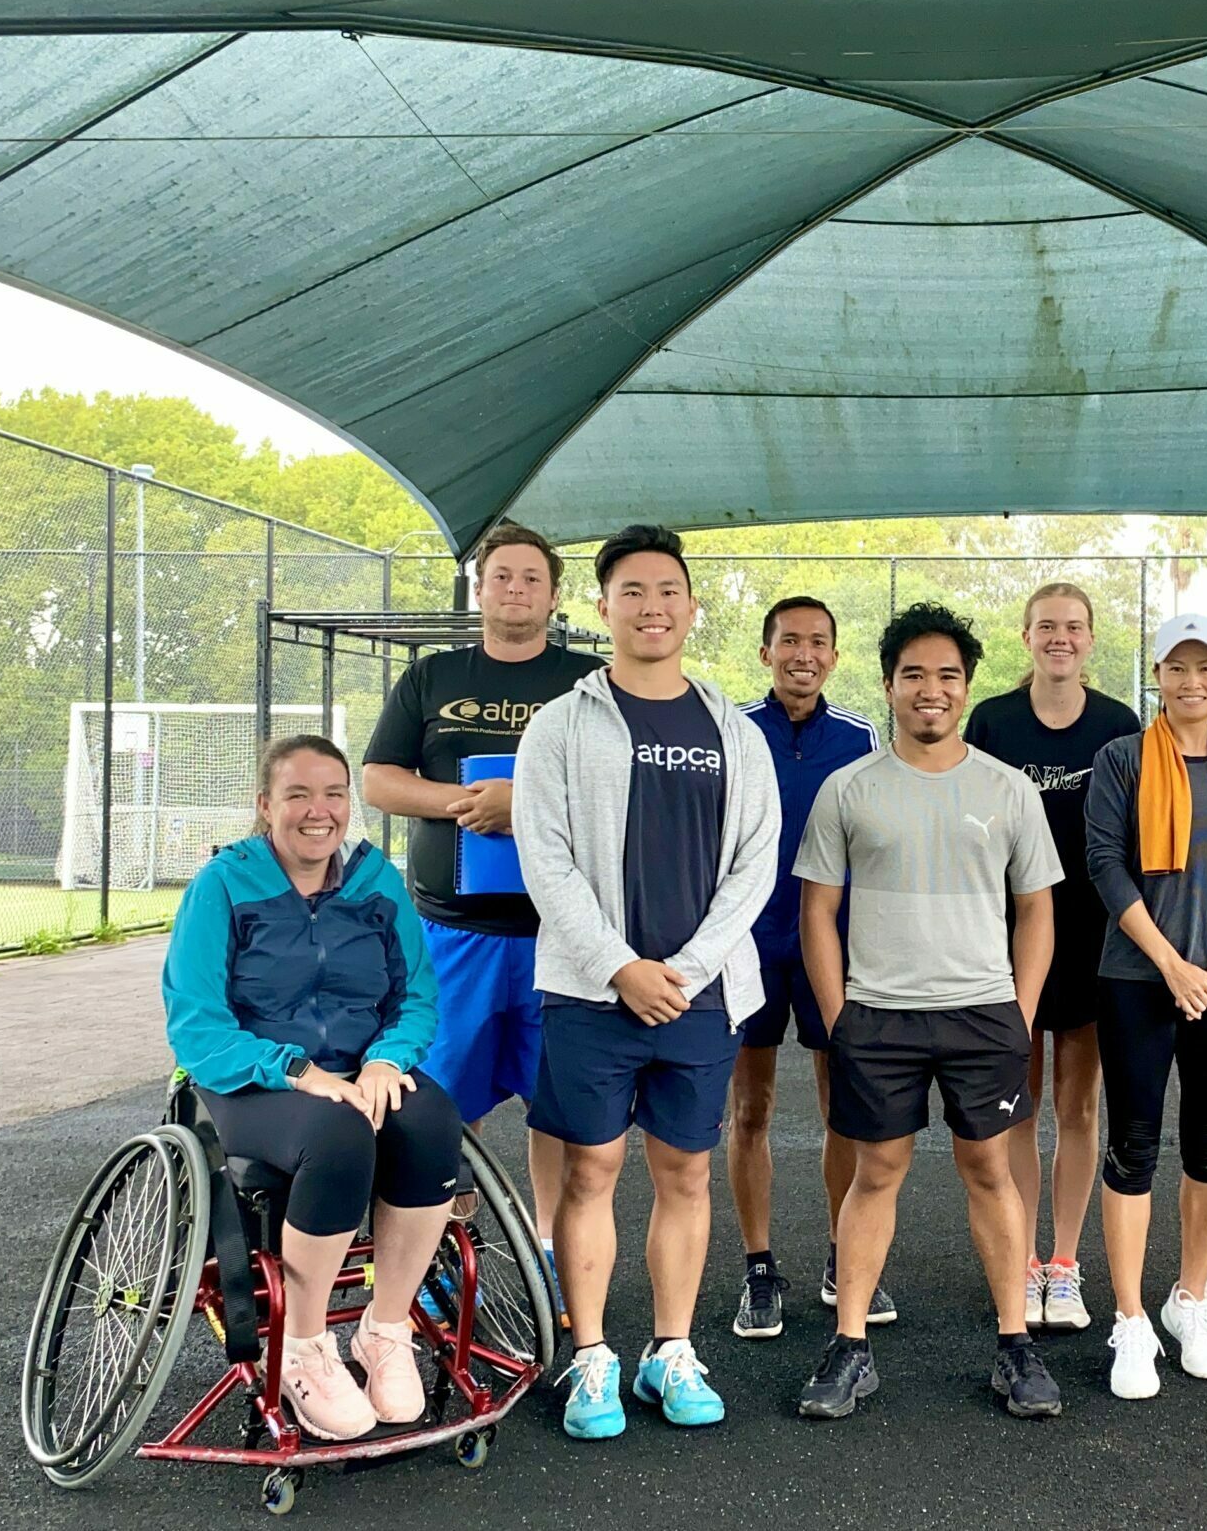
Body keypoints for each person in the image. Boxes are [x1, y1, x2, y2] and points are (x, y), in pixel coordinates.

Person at [510, 525, 781, 1439]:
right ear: (602, 608)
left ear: (692, 606)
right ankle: (591, 1357)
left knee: (686, 1173)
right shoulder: (561, 723)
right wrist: (619, 967)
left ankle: (671, 1349)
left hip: (699, 997)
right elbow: (543, 857)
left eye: (668, 589)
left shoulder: (733, 732)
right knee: (590, 1170)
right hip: (593, 993)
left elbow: (756, 863)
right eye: (632, 590)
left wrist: (687, 968)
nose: (652, 605)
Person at [792, 603, 1068, 1421]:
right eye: (913, 674)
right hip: (879, 1016)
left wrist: (1018, 1010)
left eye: (947, 675)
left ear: (967, 687)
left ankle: (1016, 1344)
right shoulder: (849, 788)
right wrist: (841, 1015)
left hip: (983, 1014)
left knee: (990, 1169)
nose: (931, 689)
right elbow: (817, 912)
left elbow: (1037, 912)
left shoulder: (1008, 789)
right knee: (877, 1172)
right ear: (887, 685)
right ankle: (849, 1345)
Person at [163, 735, 458, 1442]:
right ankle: (303, 1345)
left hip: (361, 1068)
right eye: (297, 794)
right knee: (339, 1134)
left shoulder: (375, 880)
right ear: (265, 805)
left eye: (333, 793)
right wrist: (299, 1071)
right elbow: (196, 1023)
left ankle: (384, 1331)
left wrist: (388, 1060)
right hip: (249, 1078)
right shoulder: (224, 885)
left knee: (432, 1120)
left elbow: (415, 994)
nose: (317, 811)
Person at [362, 523, 600, 1253]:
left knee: (559, 1110)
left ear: (553, 594)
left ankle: (551, 1252)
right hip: (451, 932)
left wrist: (520, 803)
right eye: (502, 576)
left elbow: (615, 790)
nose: (516, 589)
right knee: (431, 1101)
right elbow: (378, 779)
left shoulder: (589, 680)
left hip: (560, 937)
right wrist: (463, 803)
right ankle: (429, 1254)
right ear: (479, 586)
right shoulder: (433, 677)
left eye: (532, 577)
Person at [1081, 614, 1207, 1399]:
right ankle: (1130, 1316)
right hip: (1136, 976)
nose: (1192, 680)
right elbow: (1104, 862)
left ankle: (1188, 1296)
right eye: (1178, 666)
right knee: (1132, 1143)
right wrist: (1171, 963)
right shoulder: (1121, 758)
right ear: (1157, 673)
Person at [963, 581, 1142, 1333]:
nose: (1060, 637)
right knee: (1017, 1105)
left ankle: (1064, 1265)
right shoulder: (994, 722)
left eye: (1073, 626)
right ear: (1027, 635)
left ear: (1091, 639)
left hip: (1094, 939)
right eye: (1046, 626)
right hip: (1007, 941)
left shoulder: (1118, 724)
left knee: (1078, 1104)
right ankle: (1023, 1256)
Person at [731, 595, 888, 1340]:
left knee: (842, 1109)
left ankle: (843, 1255)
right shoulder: (731, 729)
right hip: (747, 946)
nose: (803, 652)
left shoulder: (861, 736)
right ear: (766, 652)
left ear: (833, 654)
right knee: (751, 1110)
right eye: (789, 639)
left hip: (834, 944)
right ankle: (759, 1269)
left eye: (818, 641)